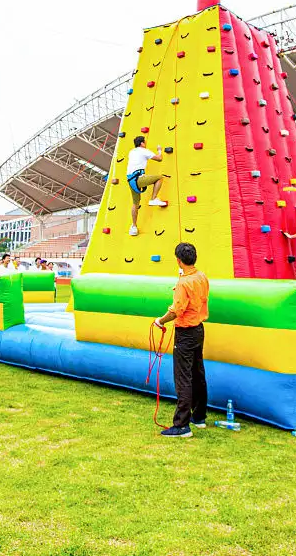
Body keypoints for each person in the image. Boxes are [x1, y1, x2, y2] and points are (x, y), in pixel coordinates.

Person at [153, 242, 209, 438]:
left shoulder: (184, 283)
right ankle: (199, 416)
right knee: (197, 372)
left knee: (183, 377)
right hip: (198, 330)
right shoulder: (200, 276)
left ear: (178, 260)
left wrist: (160, 321)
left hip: (185, 333)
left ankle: (182, 425)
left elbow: (177, 310)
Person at [127, 135, 167, 237]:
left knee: (135, 203)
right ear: (142, 143)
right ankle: (153, 199)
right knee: (159, 178)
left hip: (130, 180)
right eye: (145, 142)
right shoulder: (143, 150)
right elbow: (159, 159)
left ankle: (134, 227)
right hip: (139, 178)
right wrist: (159, 150)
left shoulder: (132, 152)